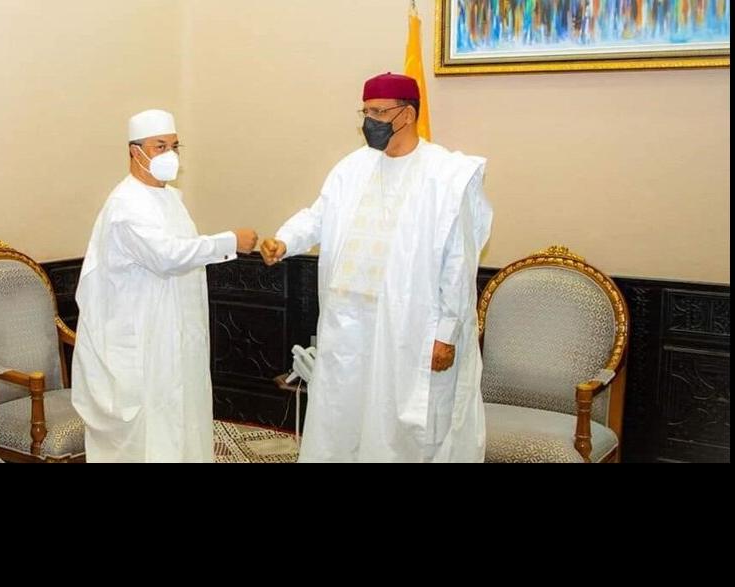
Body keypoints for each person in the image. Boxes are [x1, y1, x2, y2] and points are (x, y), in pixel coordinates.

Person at [261, 73, 493, 462]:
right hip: (348, 321)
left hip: (409, 326)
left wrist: (447, 334)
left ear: (408, 114)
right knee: (341, 418)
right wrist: (285, 240)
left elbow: (458, 261)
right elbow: (318, 216)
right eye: (366, 112)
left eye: (380, 112)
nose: (370, 121)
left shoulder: (446, 175)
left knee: (401, 428)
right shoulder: (352, 167)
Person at [71, 109, 257, 462]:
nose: (169, 155)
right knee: (149, 434)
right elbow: (167, 256)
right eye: (159, 146)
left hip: (177, 336)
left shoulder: (171, 198)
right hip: (141, 340)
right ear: (134, 151)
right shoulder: (126, 205)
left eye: (174, 146)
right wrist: (230, 241)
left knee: (184, 419)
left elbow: (183, 256)